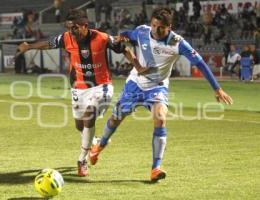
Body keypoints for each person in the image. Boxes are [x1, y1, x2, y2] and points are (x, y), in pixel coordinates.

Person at [89, 8, 233, 183]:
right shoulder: (142, 31)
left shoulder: (178, 43)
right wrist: (121, 36)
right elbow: (128, 34)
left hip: (157, 87)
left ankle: (155, 168)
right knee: (115, 119)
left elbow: (200, 63)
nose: (156, 30)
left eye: (161, 27)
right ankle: (99, 145)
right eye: (154, 25)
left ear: (169, 27)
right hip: (135, 84)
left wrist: (217, 88)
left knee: (160, 118)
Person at [18, 9, 143, 177]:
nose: (71, 31)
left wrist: (138, 66)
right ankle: (95, 141)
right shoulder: (66, 38)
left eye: (75, 28)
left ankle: (82, 159)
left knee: (89, 115)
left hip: (102, 86)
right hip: (78, 87)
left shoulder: (102, 38)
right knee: (80, 125)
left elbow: (124, 48)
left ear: (85, 26)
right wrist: (29, 47)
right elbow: (48, 43)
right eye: (69, 28)